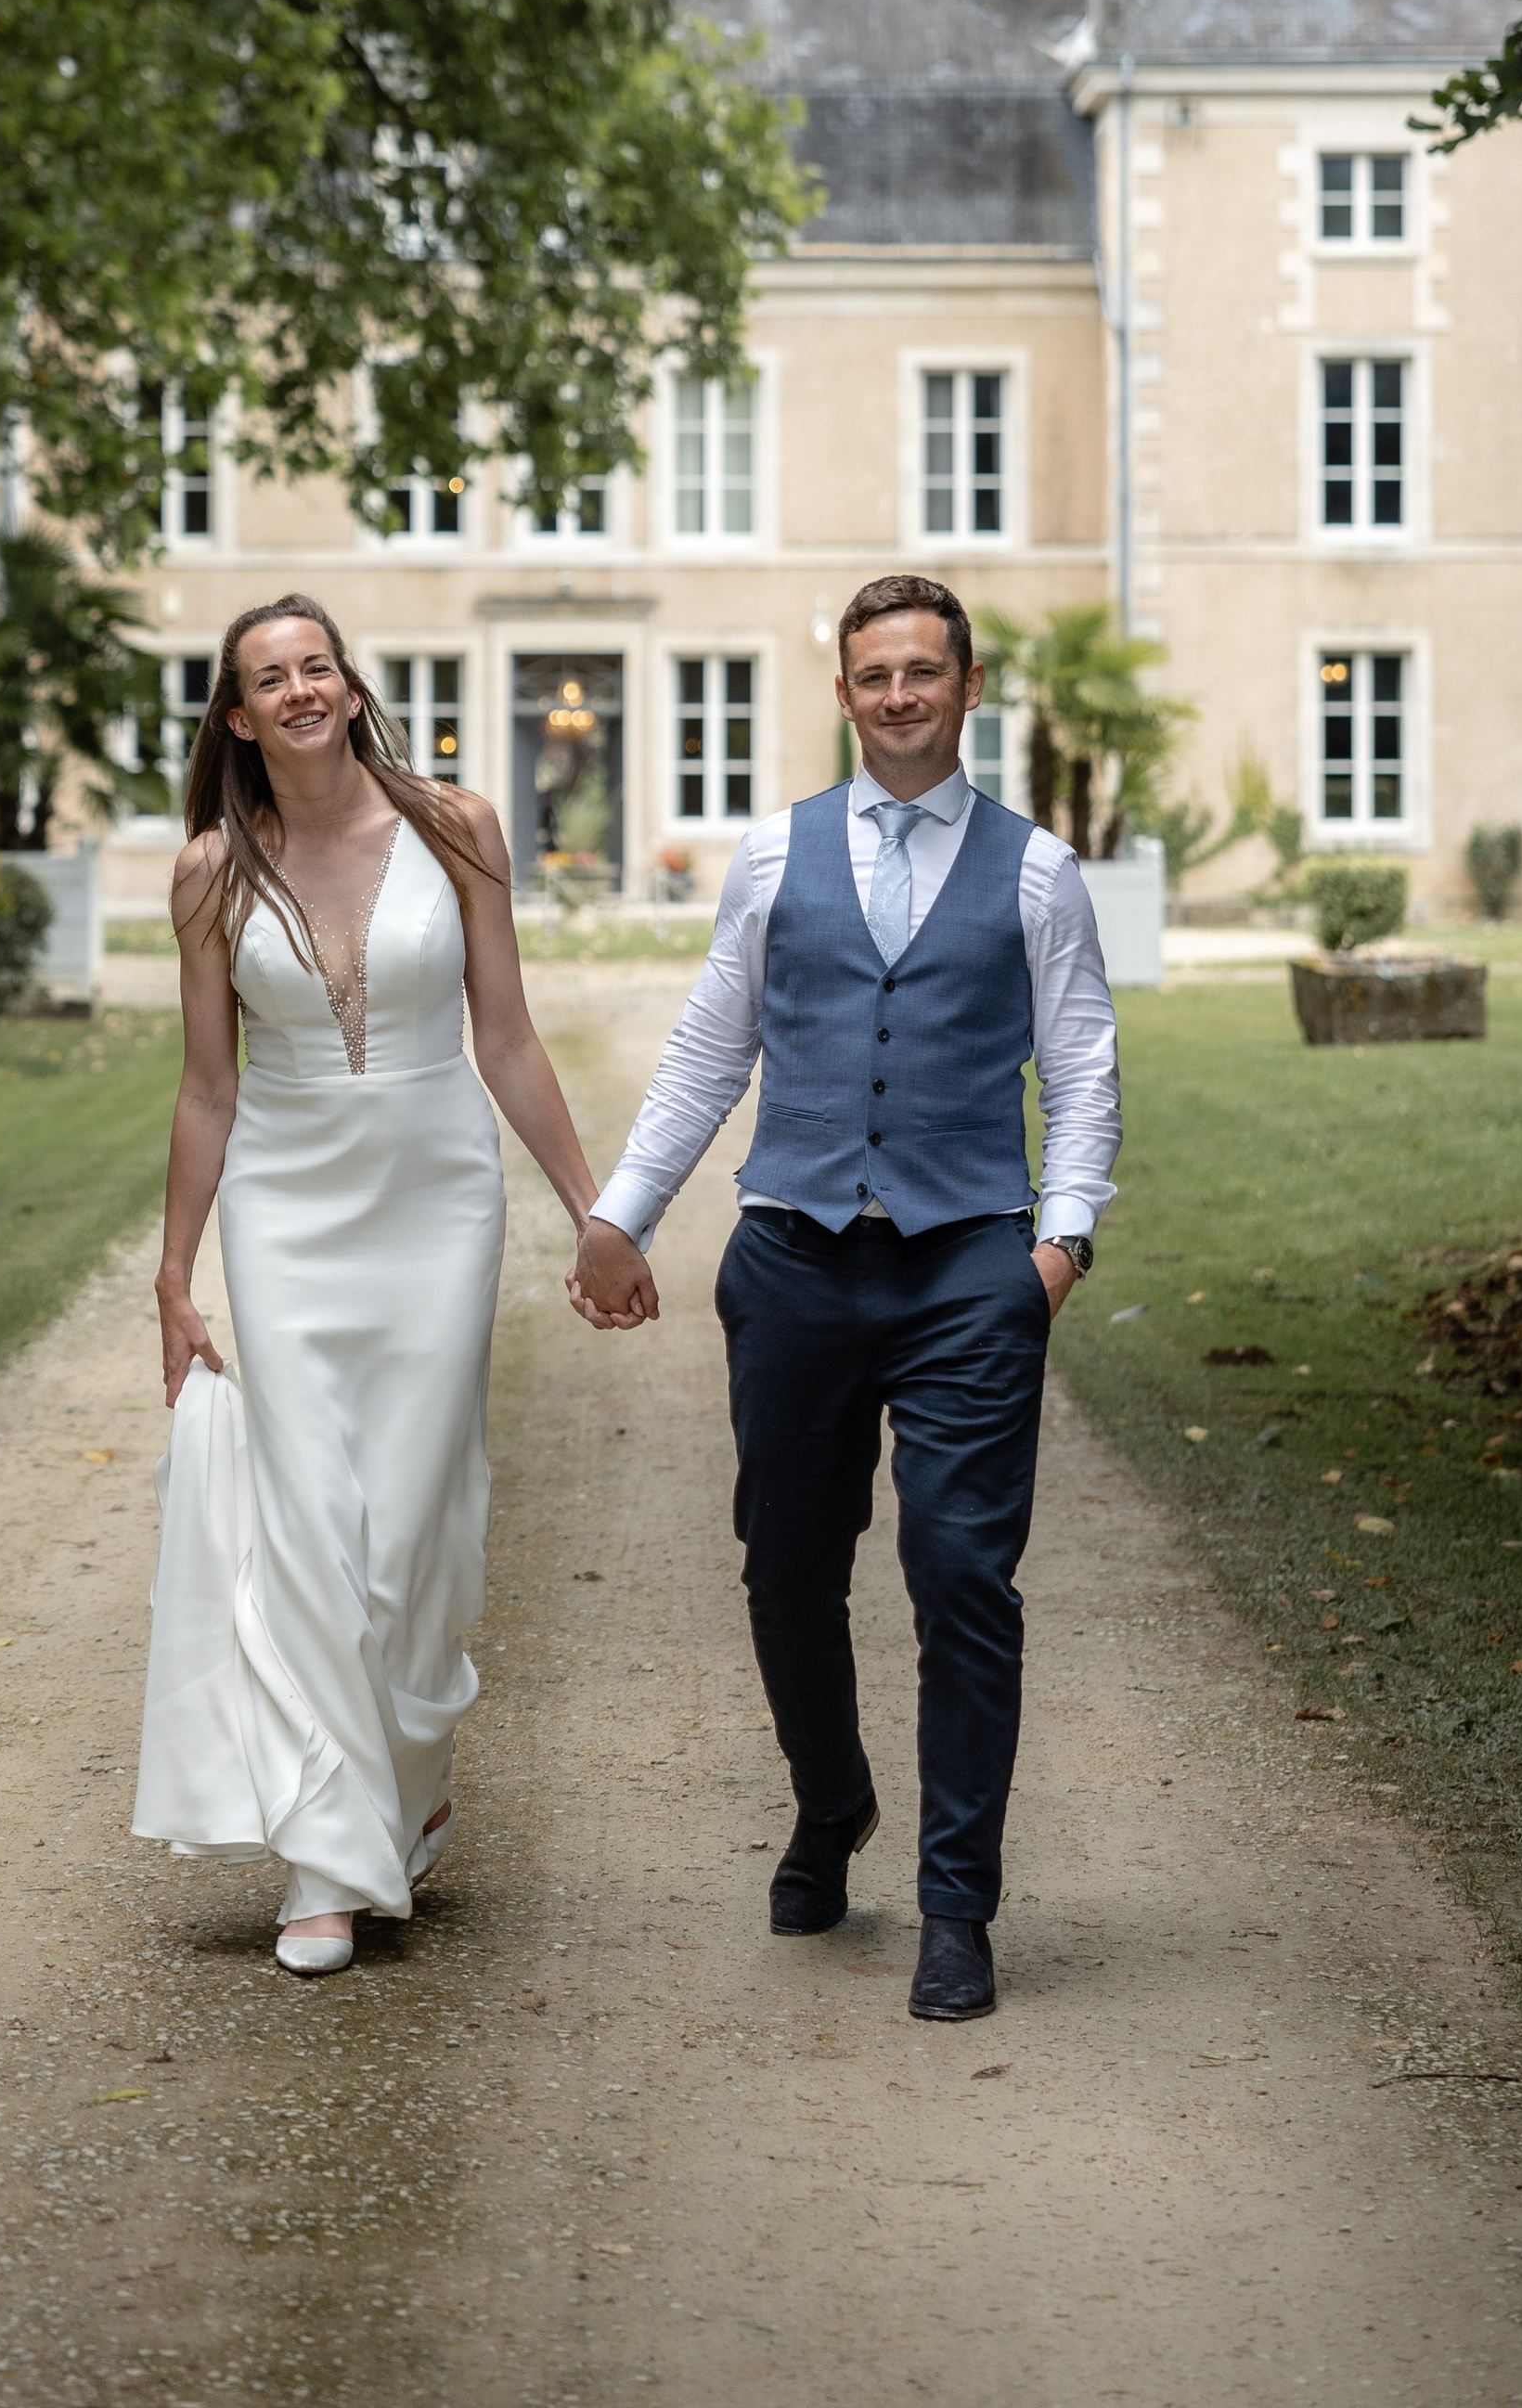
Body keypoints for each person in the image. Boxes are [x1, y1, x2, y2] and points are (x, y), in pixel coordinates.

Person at [568, 572, 1119, 2022]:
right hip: (796, 1261)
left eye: (923, 673)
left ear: (968, 687)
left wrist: (1053, 1249)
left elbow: (1083, 1071)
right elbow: (705, 1054)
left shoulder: (1038, 871)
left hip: (967, 1275)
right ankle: (831, 1806)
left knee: (962, 1583)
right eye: (874, 674)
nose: (898, 697)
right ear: (843, 691)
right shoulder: (772, 859)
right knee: (787, 1568)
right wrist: (621, 1216)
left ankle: (956, 1907)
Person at [131, 592, 603, 1976]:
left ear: (349, 685)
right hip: (285, 1211)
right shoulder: (212, 871)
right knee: (312, 1526)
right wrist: (175, 1274)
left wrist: (595, 1210)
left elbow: (506, 1038)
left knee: (413, 1522)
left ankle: (408, 1779)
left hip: (437, 1204)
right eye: (266, 678)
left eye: (315, 666)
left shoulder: (457, 829)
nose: (297, 691)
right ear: (235, 713)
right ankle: (330, 1863)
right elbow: (208, 1090)